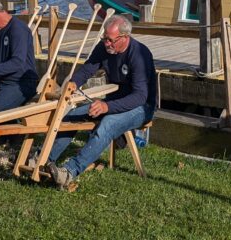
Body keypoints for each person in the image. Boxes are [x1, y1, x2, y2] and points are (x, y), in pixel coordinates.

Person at [46, 14, 157, 190]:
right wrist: (74, 82)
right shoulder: (104, 47)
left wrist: (107, 106)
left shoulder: (140, 54)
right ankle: (43, 160)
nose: (107, 44)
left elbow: (140, 96)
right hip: (115, 101)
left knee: (108, 124)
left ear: (124, 37)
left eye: (111, 40)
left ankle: (68, 173)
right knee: (70, 117)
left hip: (142, 107)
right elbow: (88, 68)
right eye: (104, 39)